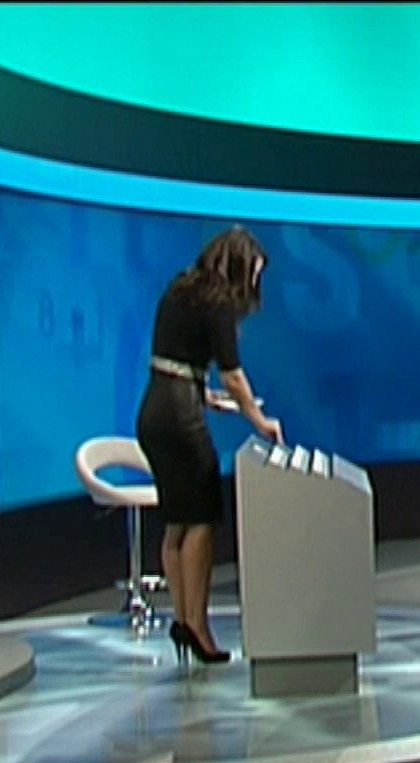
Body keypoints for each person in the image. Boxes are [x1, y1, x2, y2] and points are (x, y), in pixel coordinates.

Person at [136, 226, 284, 667]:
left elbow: (173, 360)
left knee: (177, 520)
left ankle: (183, 621)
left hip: (154, 411)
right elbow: (233, 374)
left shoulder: (180, 289)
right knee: (201, 517)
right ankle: (198, 628)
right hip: (179, 415)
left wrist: (206, 397)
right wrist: (258, 420)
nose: (255, 284)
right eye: (254, 273)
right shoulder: (219, 301)